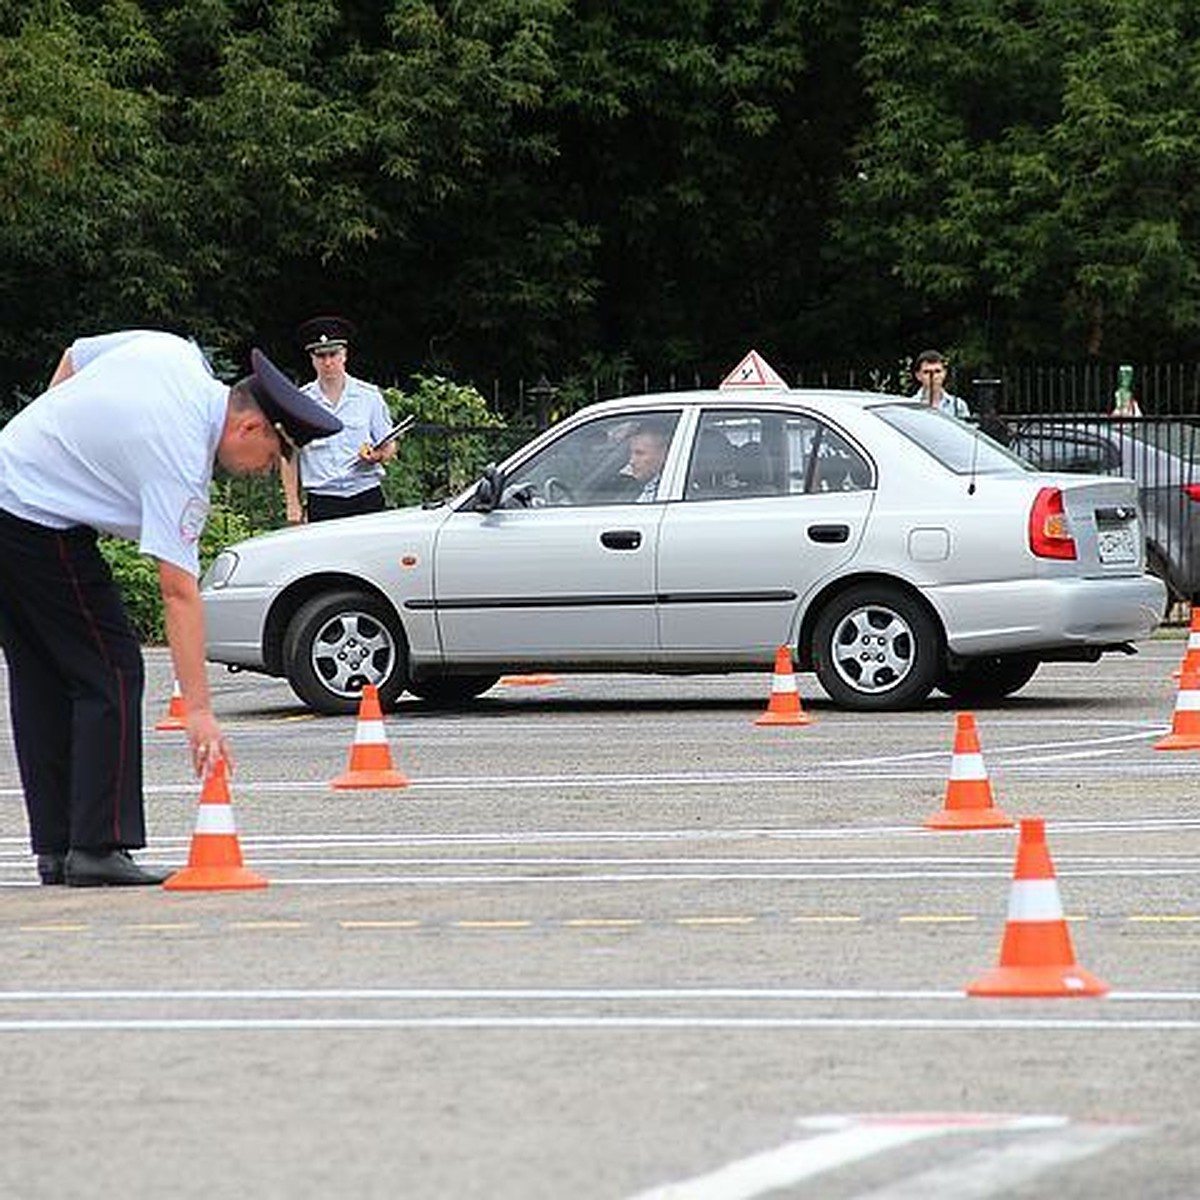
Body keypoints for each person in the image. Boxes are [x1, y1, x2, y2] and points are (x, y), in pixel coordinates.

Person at [0, 331, 341, 886]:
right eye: (276, 457)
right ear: (249, 426)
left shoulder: (173, 353)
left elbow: (74, 355)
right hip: (38, 522)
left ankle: (58, 847)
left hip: (8, 484)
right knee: (112, 669)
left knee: (43, 678)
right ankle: (96, 847)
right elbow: (178, 590)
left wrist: (48, 442)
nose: (266, 470)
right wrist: (201, 713)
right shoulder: (181, 458)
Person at [282, 316, 397, 523]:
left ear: (345, 355)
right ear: (312, 358)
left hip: (366, 495)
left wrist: (376, 456)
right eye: (321, 356)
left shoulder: (368, 396)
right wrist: (293, 503)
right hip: (323, 499)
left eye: (333, 354)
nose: (328, 362)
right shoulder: (300, 402)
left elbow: (389, 446)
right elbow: (289, 455)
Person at [911, 349, 971, 418]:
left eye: (937, 371)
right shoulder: (910, 405)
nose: (933, 376)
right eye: (926, 372)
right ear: (918, 375)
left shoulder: (958, 405)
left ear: (945, 373)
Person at [621, 424, 670, 502]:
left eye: (640, 453)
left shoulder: (669, 488)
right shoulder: (627, 483)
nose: (632, 461)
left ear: (663, 454)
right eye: (631, 453)